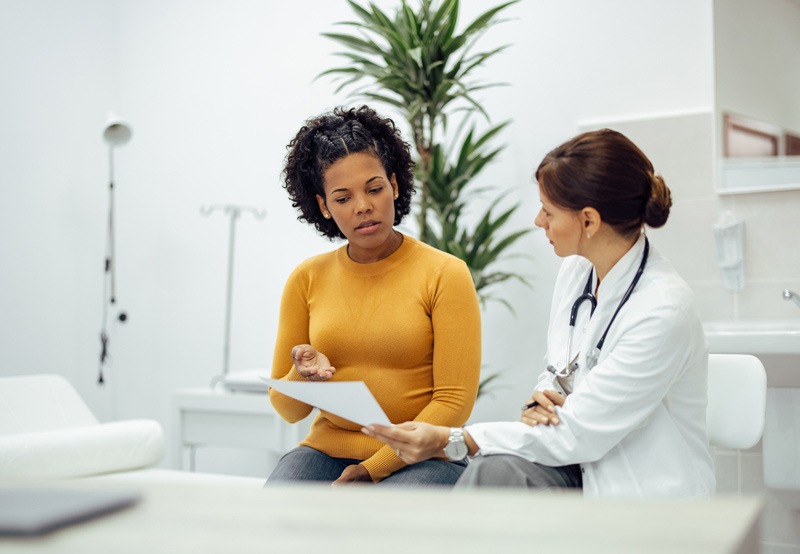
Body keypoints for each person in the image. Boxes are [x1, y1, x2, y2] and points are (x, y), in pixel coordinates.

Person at [363, 129, 716, 499]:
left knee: (491, 474)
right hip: (579, 465)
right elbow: (558, 373)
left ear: (589, 221)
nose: (538, 220)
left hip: (641, 491)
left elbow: (580, 432)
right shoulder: (578, 271)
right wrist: (541, 398)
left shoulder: (662, 310)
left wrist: (452, 440)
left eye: (548, 211)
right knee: (494, 472)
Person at [265, 106, 481, 487]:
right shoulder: (306, 278)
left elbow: (453, 403)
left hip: (424, 456)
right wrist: (303, 375)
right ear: (324, 207)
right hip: (327, 450)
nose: (363, 205)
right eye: (343, 197)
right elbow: (287, 408)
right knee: (279, 515)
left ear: (394, 186)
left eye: (375, 188)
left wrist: (371, 469)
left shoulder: (445, 274)